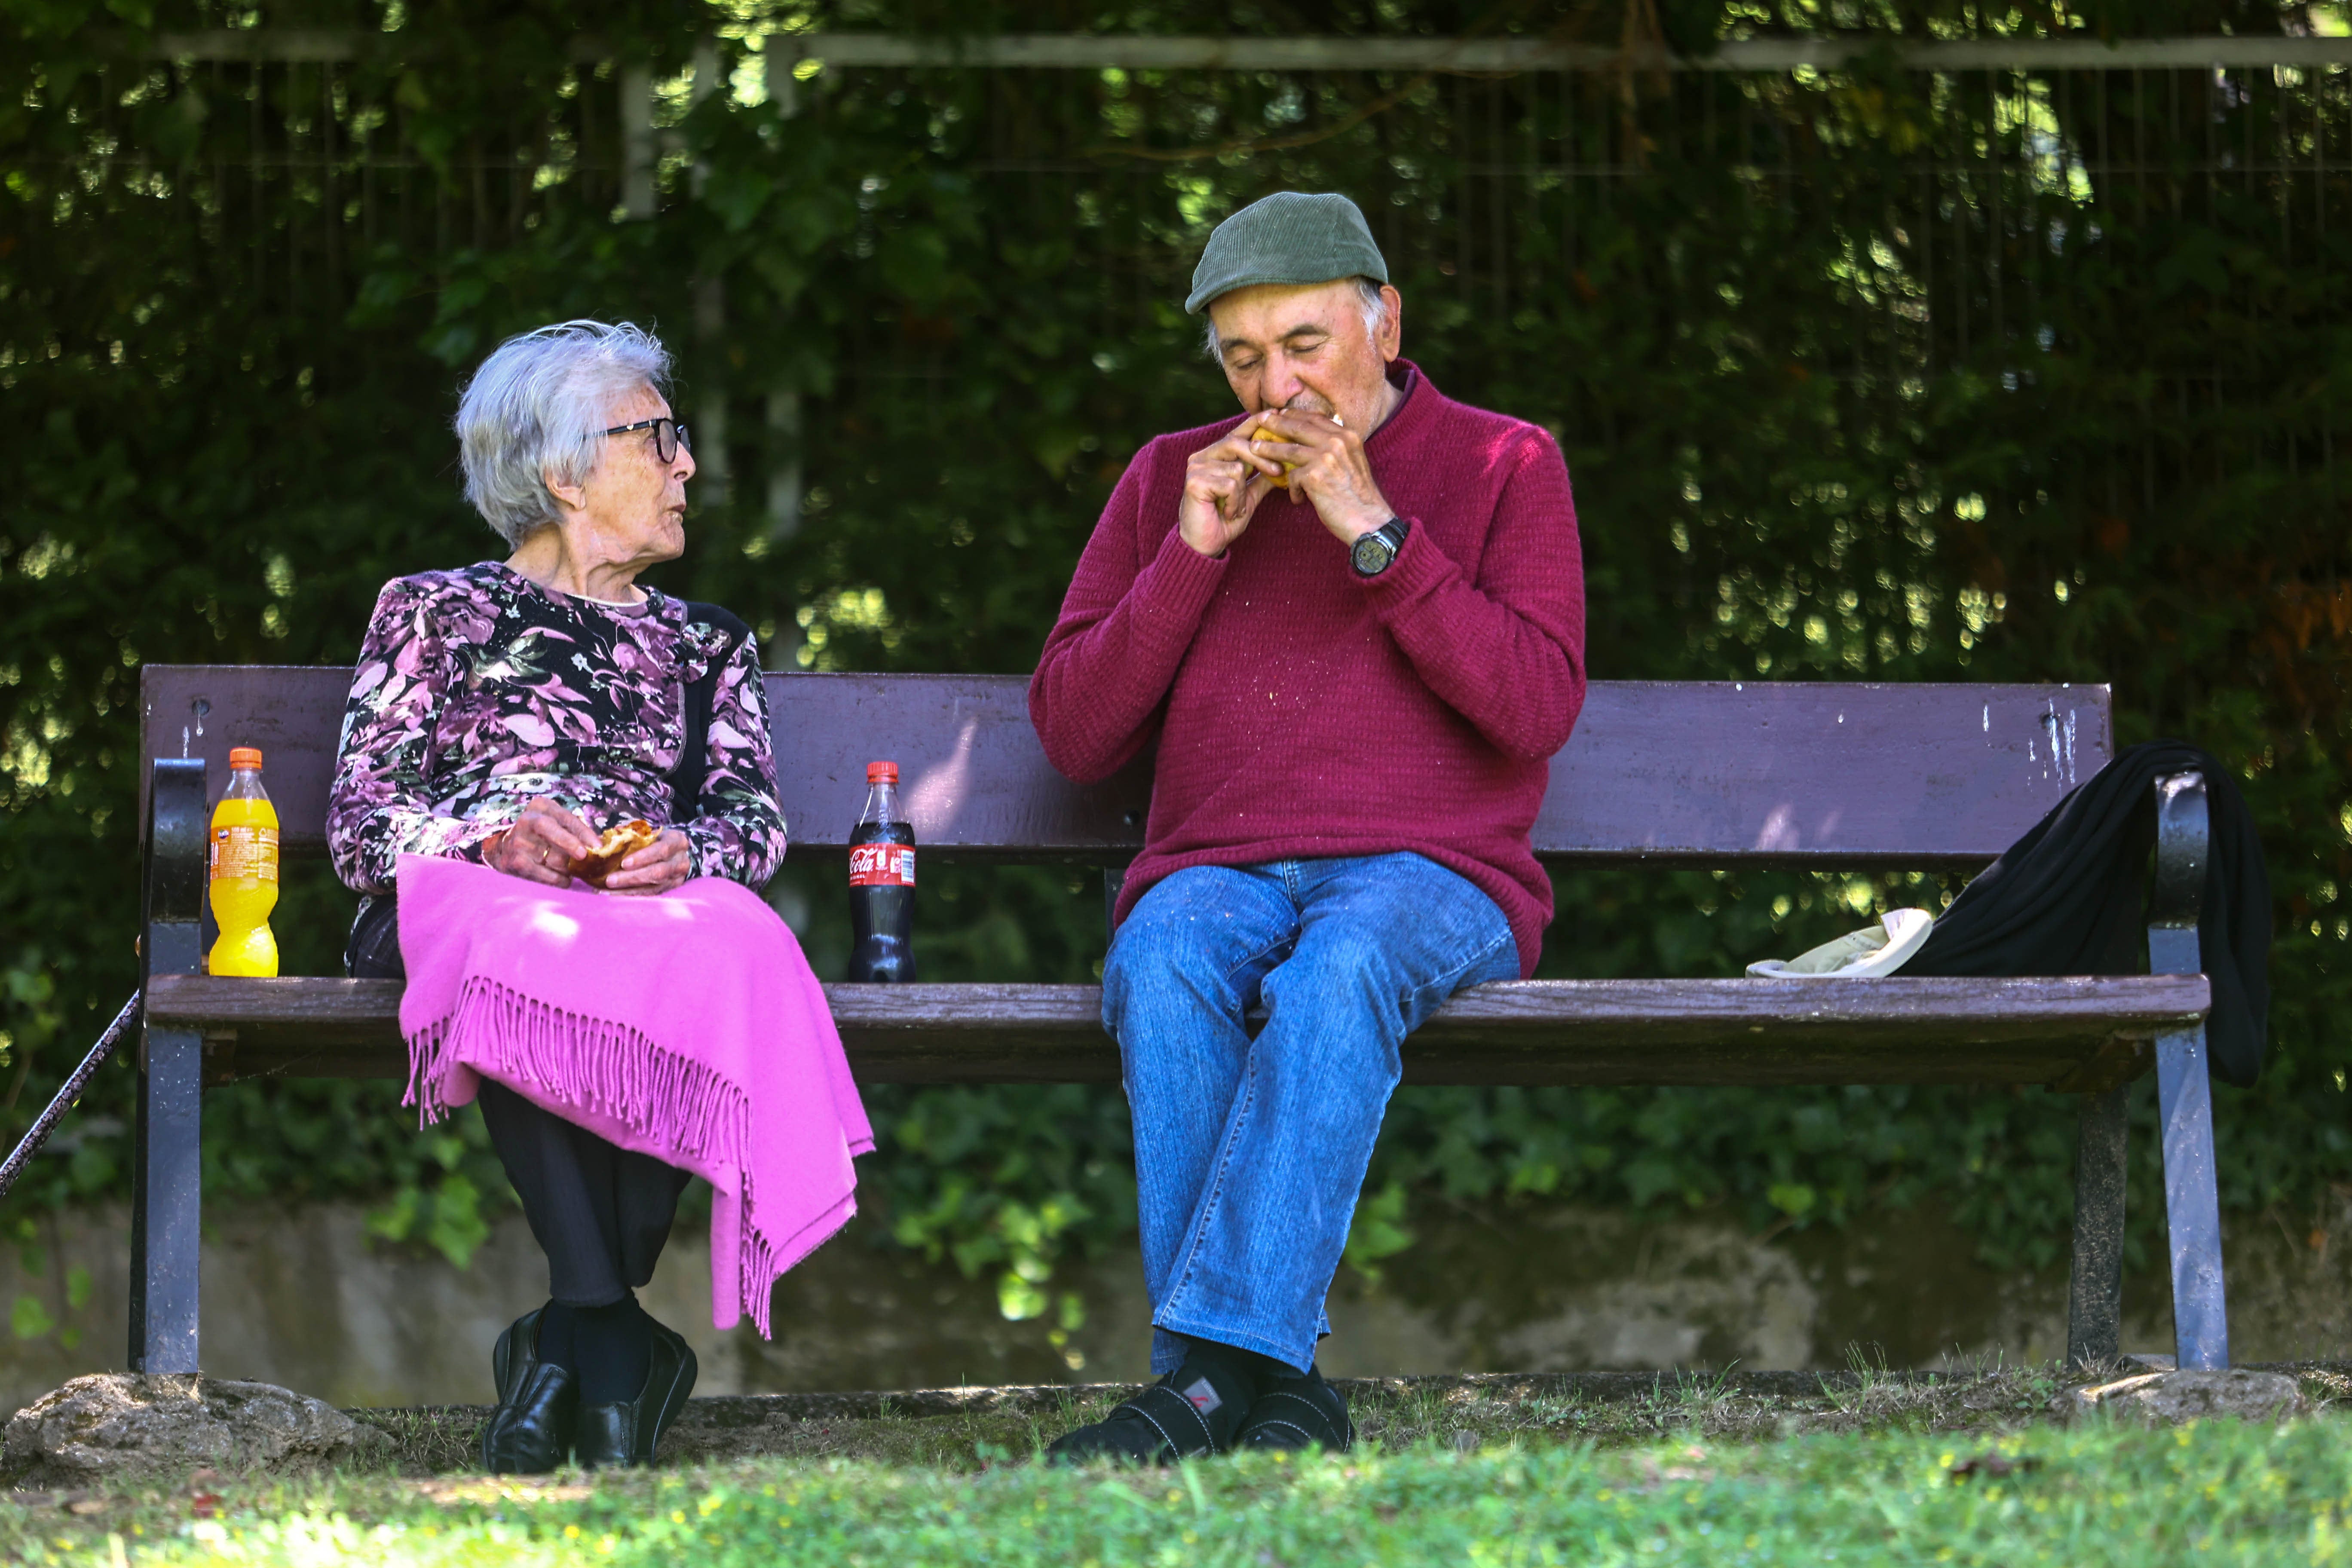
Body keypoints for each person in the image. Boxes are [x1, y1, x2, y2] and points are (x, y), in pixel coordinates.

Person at [1029, 193, 1586, 1460]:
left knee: (1339, 973)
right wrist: (1191, 554)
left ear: (1386, 323)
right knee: (1160, 957)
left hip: (1434, 873)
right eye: (1241, 358)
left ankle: (1203, 1383)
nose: (1274, 387)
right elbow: (1073, 732)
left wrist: (1376, 531)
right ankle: (1269, 1392)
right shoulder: (1174, 478)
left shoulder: (1508, 461)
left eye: (1303, 345)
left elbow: (1535, 704)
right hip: (1215, 866)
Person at [328, 319, 791, 1471]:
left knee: (722, 942)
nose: (687, 466)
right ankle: (614, 1338)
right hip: (472, 917)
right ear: (567, 472)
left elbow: (754, 825)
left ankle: (568, 1339)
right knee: (529, 939)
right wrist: (495, 840)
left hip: (641, 929)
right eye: (661, 440)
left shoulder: (707, 646)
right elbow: (359, 825)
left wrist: (678, 853)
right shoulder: (433, 613)